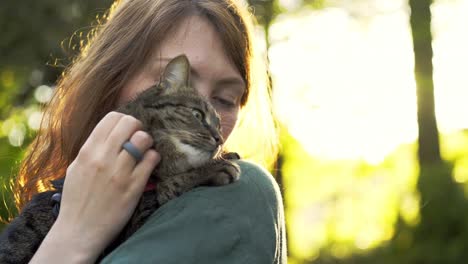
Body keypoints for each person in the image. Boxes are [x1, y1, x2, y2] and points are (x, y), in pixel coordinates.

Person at [15, 0, 285, 263]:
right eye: (169, 80)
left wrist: (71, 241)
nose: (199, 109)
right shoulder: (44, 211)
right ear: (110, 83)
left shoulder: (240, 193)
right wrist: (72, 235)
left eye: (225, 99)